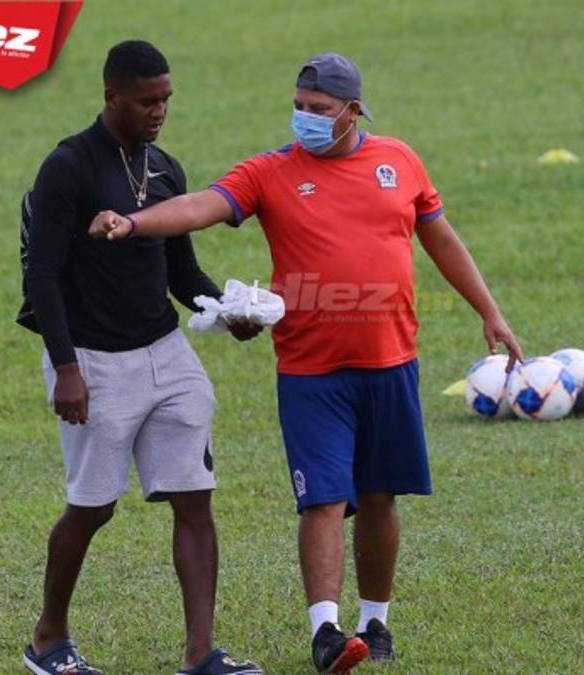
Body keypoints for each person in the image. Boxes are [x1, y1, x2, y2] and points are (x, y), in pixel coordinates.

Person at [88, 53, 524, 673]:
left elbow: (441, 238)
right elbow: (201, 206)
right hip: (311, 372)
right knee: (321, 499)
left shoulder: (398, 161)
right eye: (298, 107)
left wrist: (490, 310)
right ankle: (326, 631)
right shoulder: (270, 173)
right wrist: (132, 224)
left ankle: (376, 623)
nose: (304, 119)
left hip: (392, 362)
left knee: (380, 497)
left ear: (352, 112)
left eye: (318, 111)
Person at [21, 40, 262, 675]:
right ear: (112, 97)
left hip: (166, 352)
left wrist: (226, 308)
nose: (159, 111)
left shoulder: (165, 170)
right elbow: (41, 275)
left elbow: (180, 271)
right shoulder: (67, 168)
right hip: (94, 362)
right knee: (93, 506)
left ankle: (201, 653)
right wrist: (66, 368)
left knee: (194, 495)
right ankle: (48, 638)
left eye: (166, 100)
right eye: (147, 101)